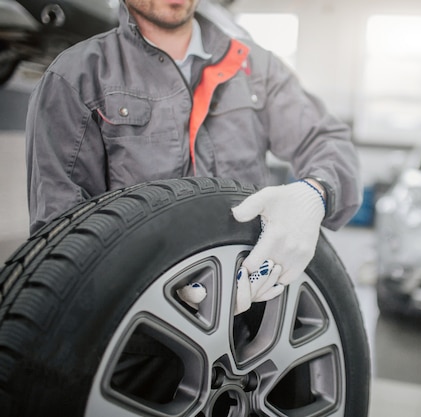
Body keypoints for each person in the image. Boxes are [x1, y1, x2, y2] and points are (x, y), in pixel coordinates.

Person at [25, 0, 361, 314]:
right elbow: (62, 235)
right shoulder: (75, 77)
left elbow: (327, 139)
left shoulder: (255, 66)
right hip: (133, 323)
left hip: (251, 306)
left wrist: (314, 192)